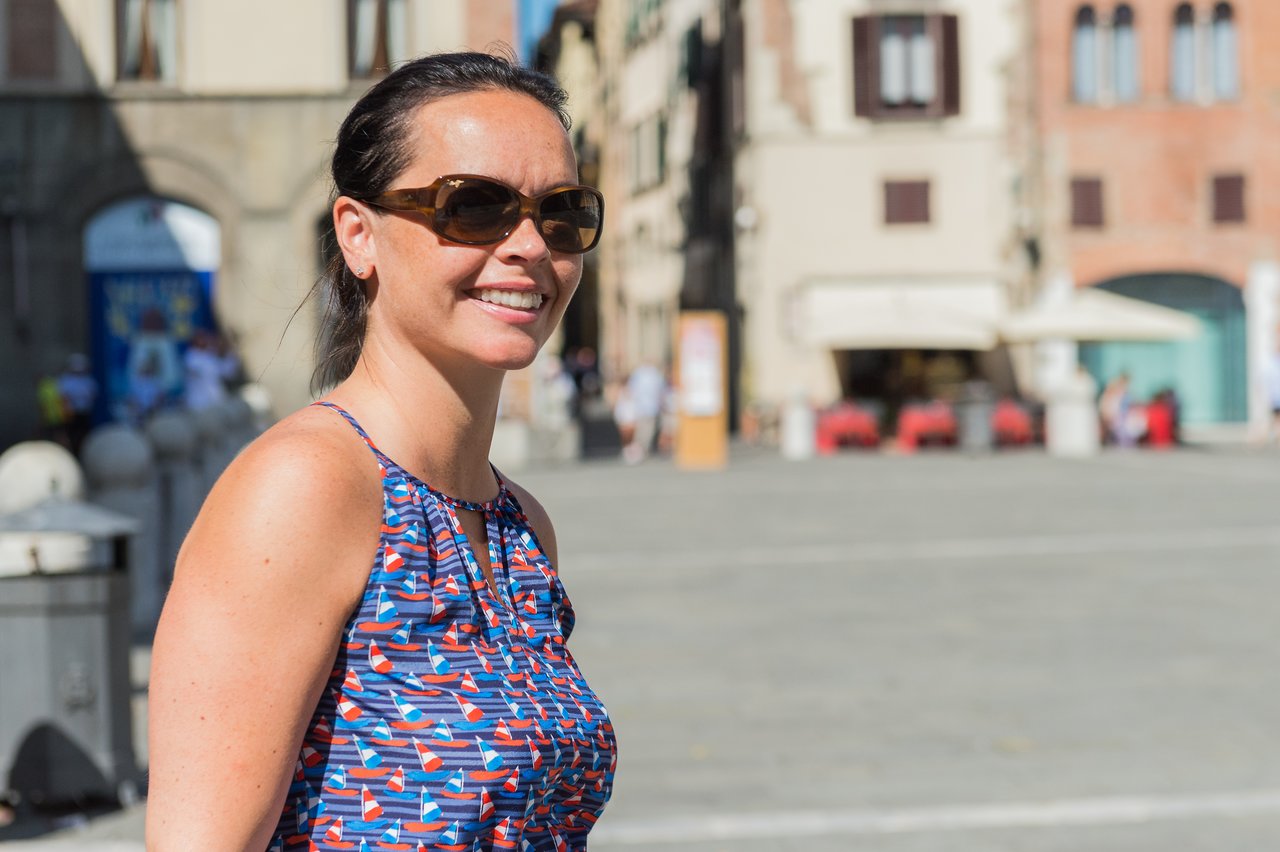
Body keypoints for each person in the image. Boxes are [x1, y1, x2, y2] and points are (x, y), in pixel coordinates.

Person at [147, 52, 615, 851]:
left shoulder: (520, 526)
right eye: (475, 207)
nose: (530, 245)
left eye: (562, 212)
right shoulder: (307, 488)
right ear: (358, 235)